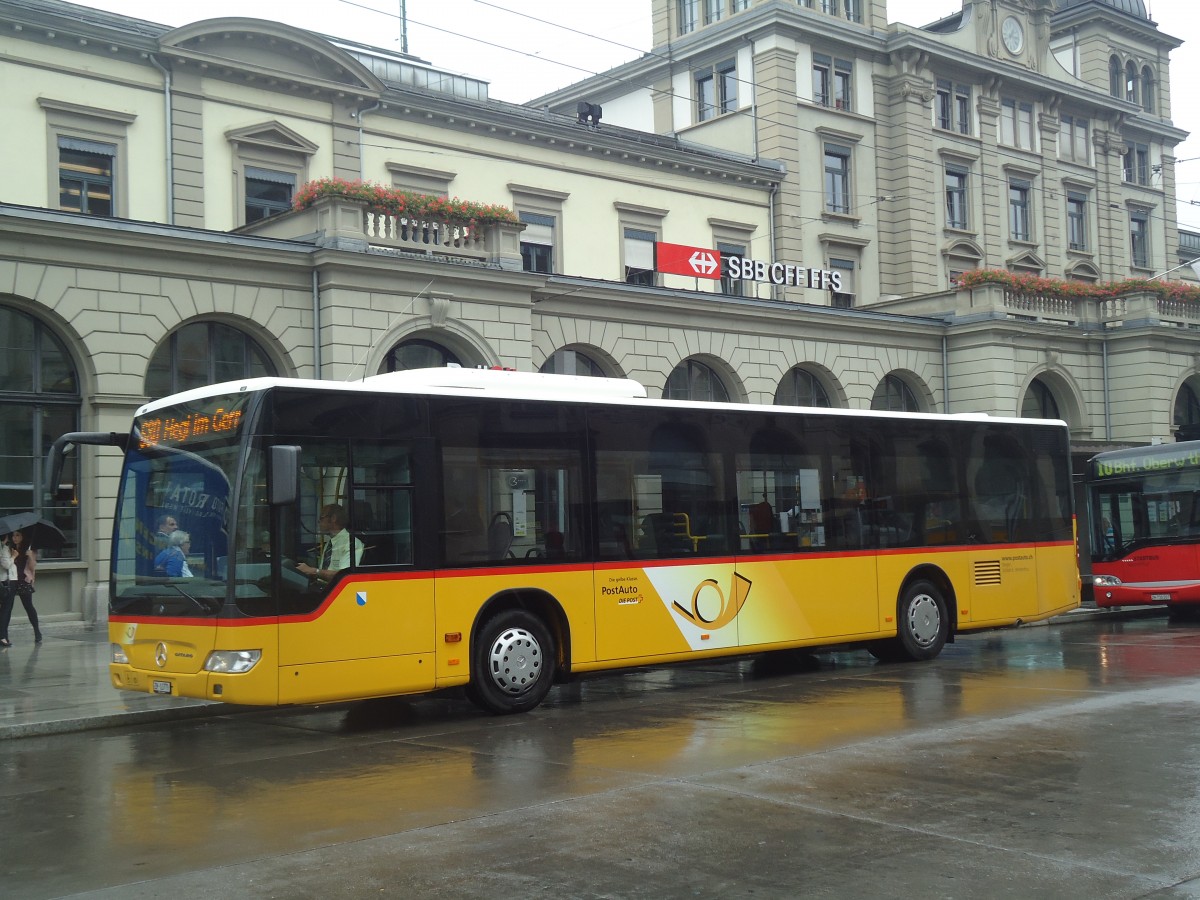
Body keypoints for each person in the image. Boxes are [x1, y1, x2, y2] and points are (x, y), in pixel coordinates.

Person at [297, 504, 362, 582]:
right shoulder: (329, 543)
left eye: (321, 518)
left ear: (333, 518)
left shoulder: (351, 544)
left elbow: (344, 576)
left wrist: (313, 571)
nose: (319, 522)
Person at [1, 529, 42, 645]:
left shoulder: (28, 549)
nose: (15, 538)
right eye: (13, 535)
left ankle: (37, 632)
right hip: (11, 581)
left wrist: (31, 557)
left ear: (23, 537)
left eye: (18, 535)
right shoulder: (9, 548)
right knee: (7, 608)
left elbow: (33, 567)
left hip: (24, 580)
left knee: (28, 606)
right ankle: (4, 636)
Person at [0, 532, 13, 647]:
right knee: (5, 610)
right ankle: (3, 637)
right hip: (2, 583)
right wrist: (13, 556)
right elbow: (6, 565)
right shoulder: (3, 548)